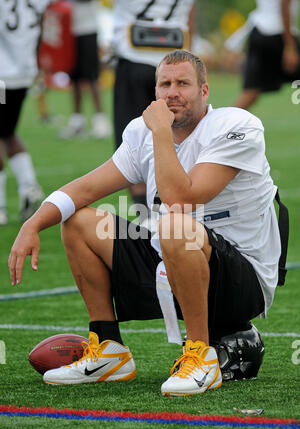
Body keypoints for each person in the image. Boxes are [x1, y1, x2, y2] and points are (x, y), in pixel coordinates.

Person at [8, 50, 282, 396]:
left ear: (204, 91)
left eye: (183, 83)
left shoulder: (237, 126)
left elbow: (181, 198)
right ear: (154, 92)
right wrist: (32, 224)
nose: (172, 92)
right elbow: (86, 188)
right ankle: (109, 349)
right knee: (78, 221)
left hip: (241, 281)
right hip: (172, 263)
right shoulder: (142, 131)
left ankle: (201, 355)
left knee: (174, 224)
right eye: (164, 84)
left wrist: (161, 133)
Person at [112, 0, 195, 222]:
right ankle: (170, 213)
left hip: (134, 56)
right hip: (176, 60)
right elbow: (190, 15)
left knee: (132, 141)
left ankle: (146, 218)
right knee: (180, 137)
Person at [0, 0, 51, 225]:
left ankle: (0, 206)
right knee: (9, 131)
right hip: (24, 72)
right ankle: (29, 186)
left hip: (1, 75)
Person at [225, 0, 300, 109]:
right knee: (251, 91)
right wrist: (290, 46)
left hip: (259, 31)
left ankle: (223, 123)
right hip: (278, 34)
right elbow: (284, 6)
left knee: (251, 91)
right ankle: (223, 122)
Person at [60, 0, 112, 139]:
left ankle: (101, 122)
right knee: (74, 77)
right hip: (69, 29)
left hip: (88, 29)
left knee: (92, 77)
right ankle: (77, 121)